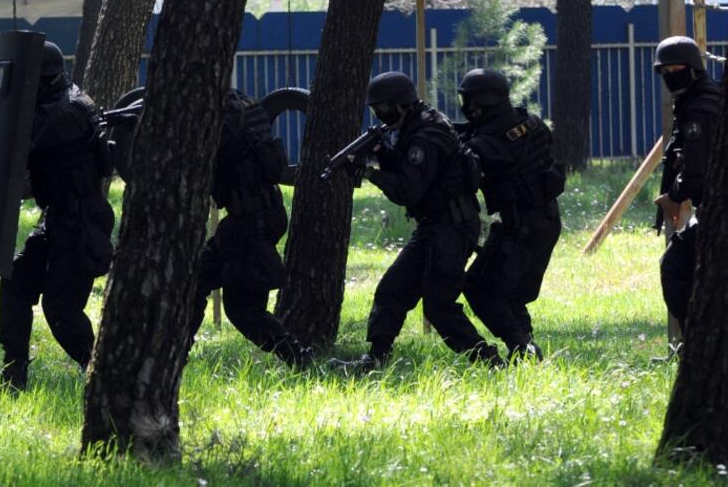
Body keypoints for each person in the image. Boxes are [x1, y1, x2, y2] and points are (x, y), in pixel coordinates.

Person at [0, 41, 115, 390]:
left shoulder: (69, 111)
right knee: (17, 283)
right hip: (57, 218)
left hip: (82, 222)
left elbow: (24, 131)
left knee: (61, 309)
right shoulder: (55, 97)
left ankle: (101, 375)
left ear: (43, 80)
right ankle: (14, 373)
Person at [333, 72, 504, 373]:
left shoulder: (426, 136)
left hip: (453, 225)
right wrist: (380, 153)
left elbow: (408, 189)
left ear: (400, 105)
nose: (381, 117)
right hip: (435, 225)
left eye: (383, 110)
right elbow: (406, 170)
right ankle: (374, 359)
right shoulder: (416, 125)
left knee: (439, 306)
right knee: (392, 291)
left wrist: (370, 172)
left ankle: (489, 361)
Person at [189, 88, 313, 368]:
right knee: (194, 281)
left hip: (250, 222)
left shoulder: (222, 117)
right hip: (251, 218)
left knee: (243, 309)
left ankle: (297, 357)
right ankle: (177, 352)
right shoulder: (243, 104)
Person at [456, 69, 564, 362]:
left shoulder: (488, 145)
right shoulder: (532, 123)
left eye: (468, 100)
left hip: (520, 228)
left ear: (480, 102)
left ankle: (521, 345)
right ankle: (528, 353)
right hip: (548, 222)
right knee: (512, 293)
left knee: (478, 288)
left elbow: (470, 163)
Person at [652, 35, 720, 337]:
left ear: (692, 68)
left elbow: (697, 171)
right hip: (717, 208)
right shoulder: (699, 100)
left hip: (720, 209)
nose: (670, 77)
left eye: (675, 69)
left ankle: (699, 345)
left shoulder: (699, 110)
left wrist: (675, 196)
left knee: (676, 268)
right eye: (664, 73)